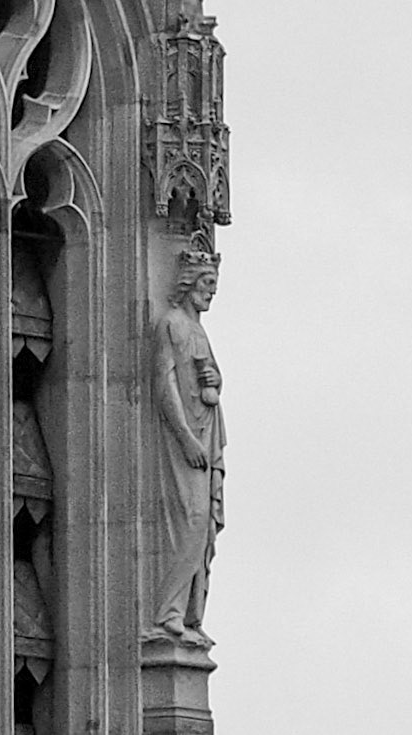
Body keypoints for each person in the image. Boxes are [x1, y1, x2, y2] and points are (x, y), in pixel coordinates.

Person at [149, 241, 225, 644]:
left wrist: (216, 380)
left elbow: (208, 378)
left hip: (205, 437)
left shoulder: (198, 330)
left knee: (200, 527)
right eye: (207, 282)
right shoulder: (172, 324)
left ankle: (187, 612)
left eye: (214, 284)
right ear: (189, 282)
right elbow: (165, 385)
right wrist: (184, 438)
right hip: (185, 442)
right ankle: (167, 612)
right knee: (189, 523)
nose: (212, 291)